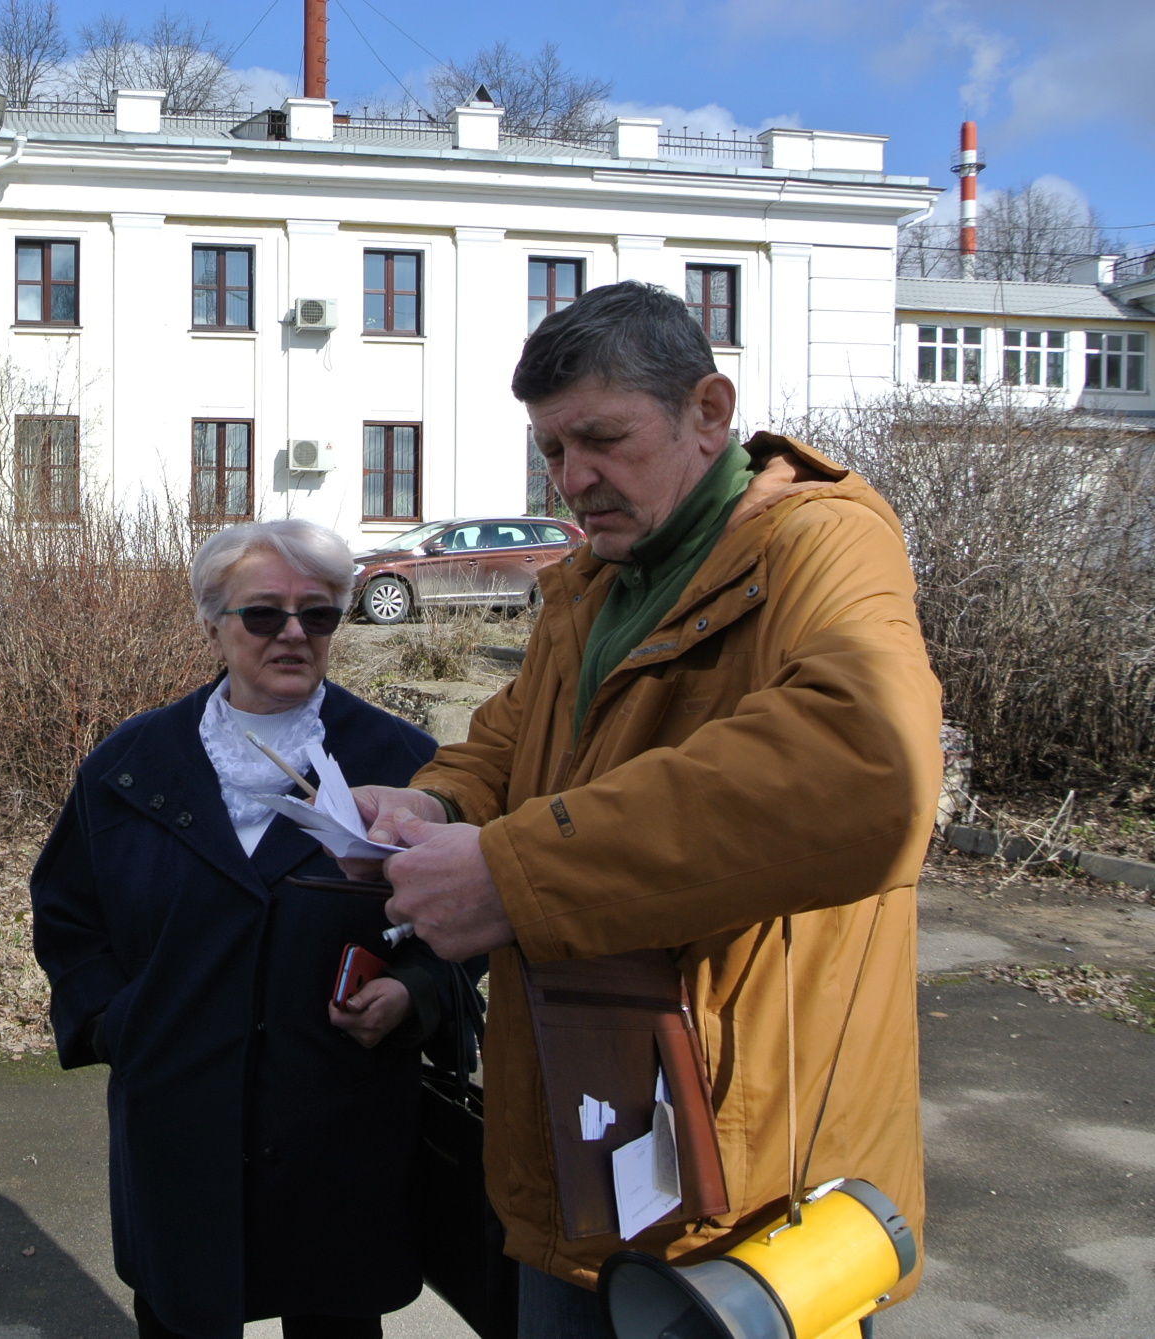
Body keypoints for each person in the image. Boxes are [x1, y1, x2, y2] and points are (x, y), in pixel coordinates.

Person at [349, 282, 943, 1336]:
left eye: (602, 439)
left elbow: (862, 770)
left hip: (744, 1195)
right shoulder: (591, 584)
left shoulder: (817, 546)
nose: (574, 479)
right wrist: (430, 802)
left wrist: (512, 874)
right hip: (575, 1152)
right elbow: (512, 737)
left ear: (707, 412)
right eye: (549, 451)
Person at [31, 519, 468, 1339]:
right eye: (263, 614)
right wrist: (121, 1023)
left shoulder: (407, 765)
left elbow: (466, 926)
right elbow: (66, 913)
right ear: (212, 624)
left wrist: (414, 994)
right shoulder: (131, 766)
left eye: (320, 613)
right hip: (179, 1115)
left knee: (334, 1316)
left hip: (337, 1119)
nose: (293, 633)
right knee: (181, 1311)